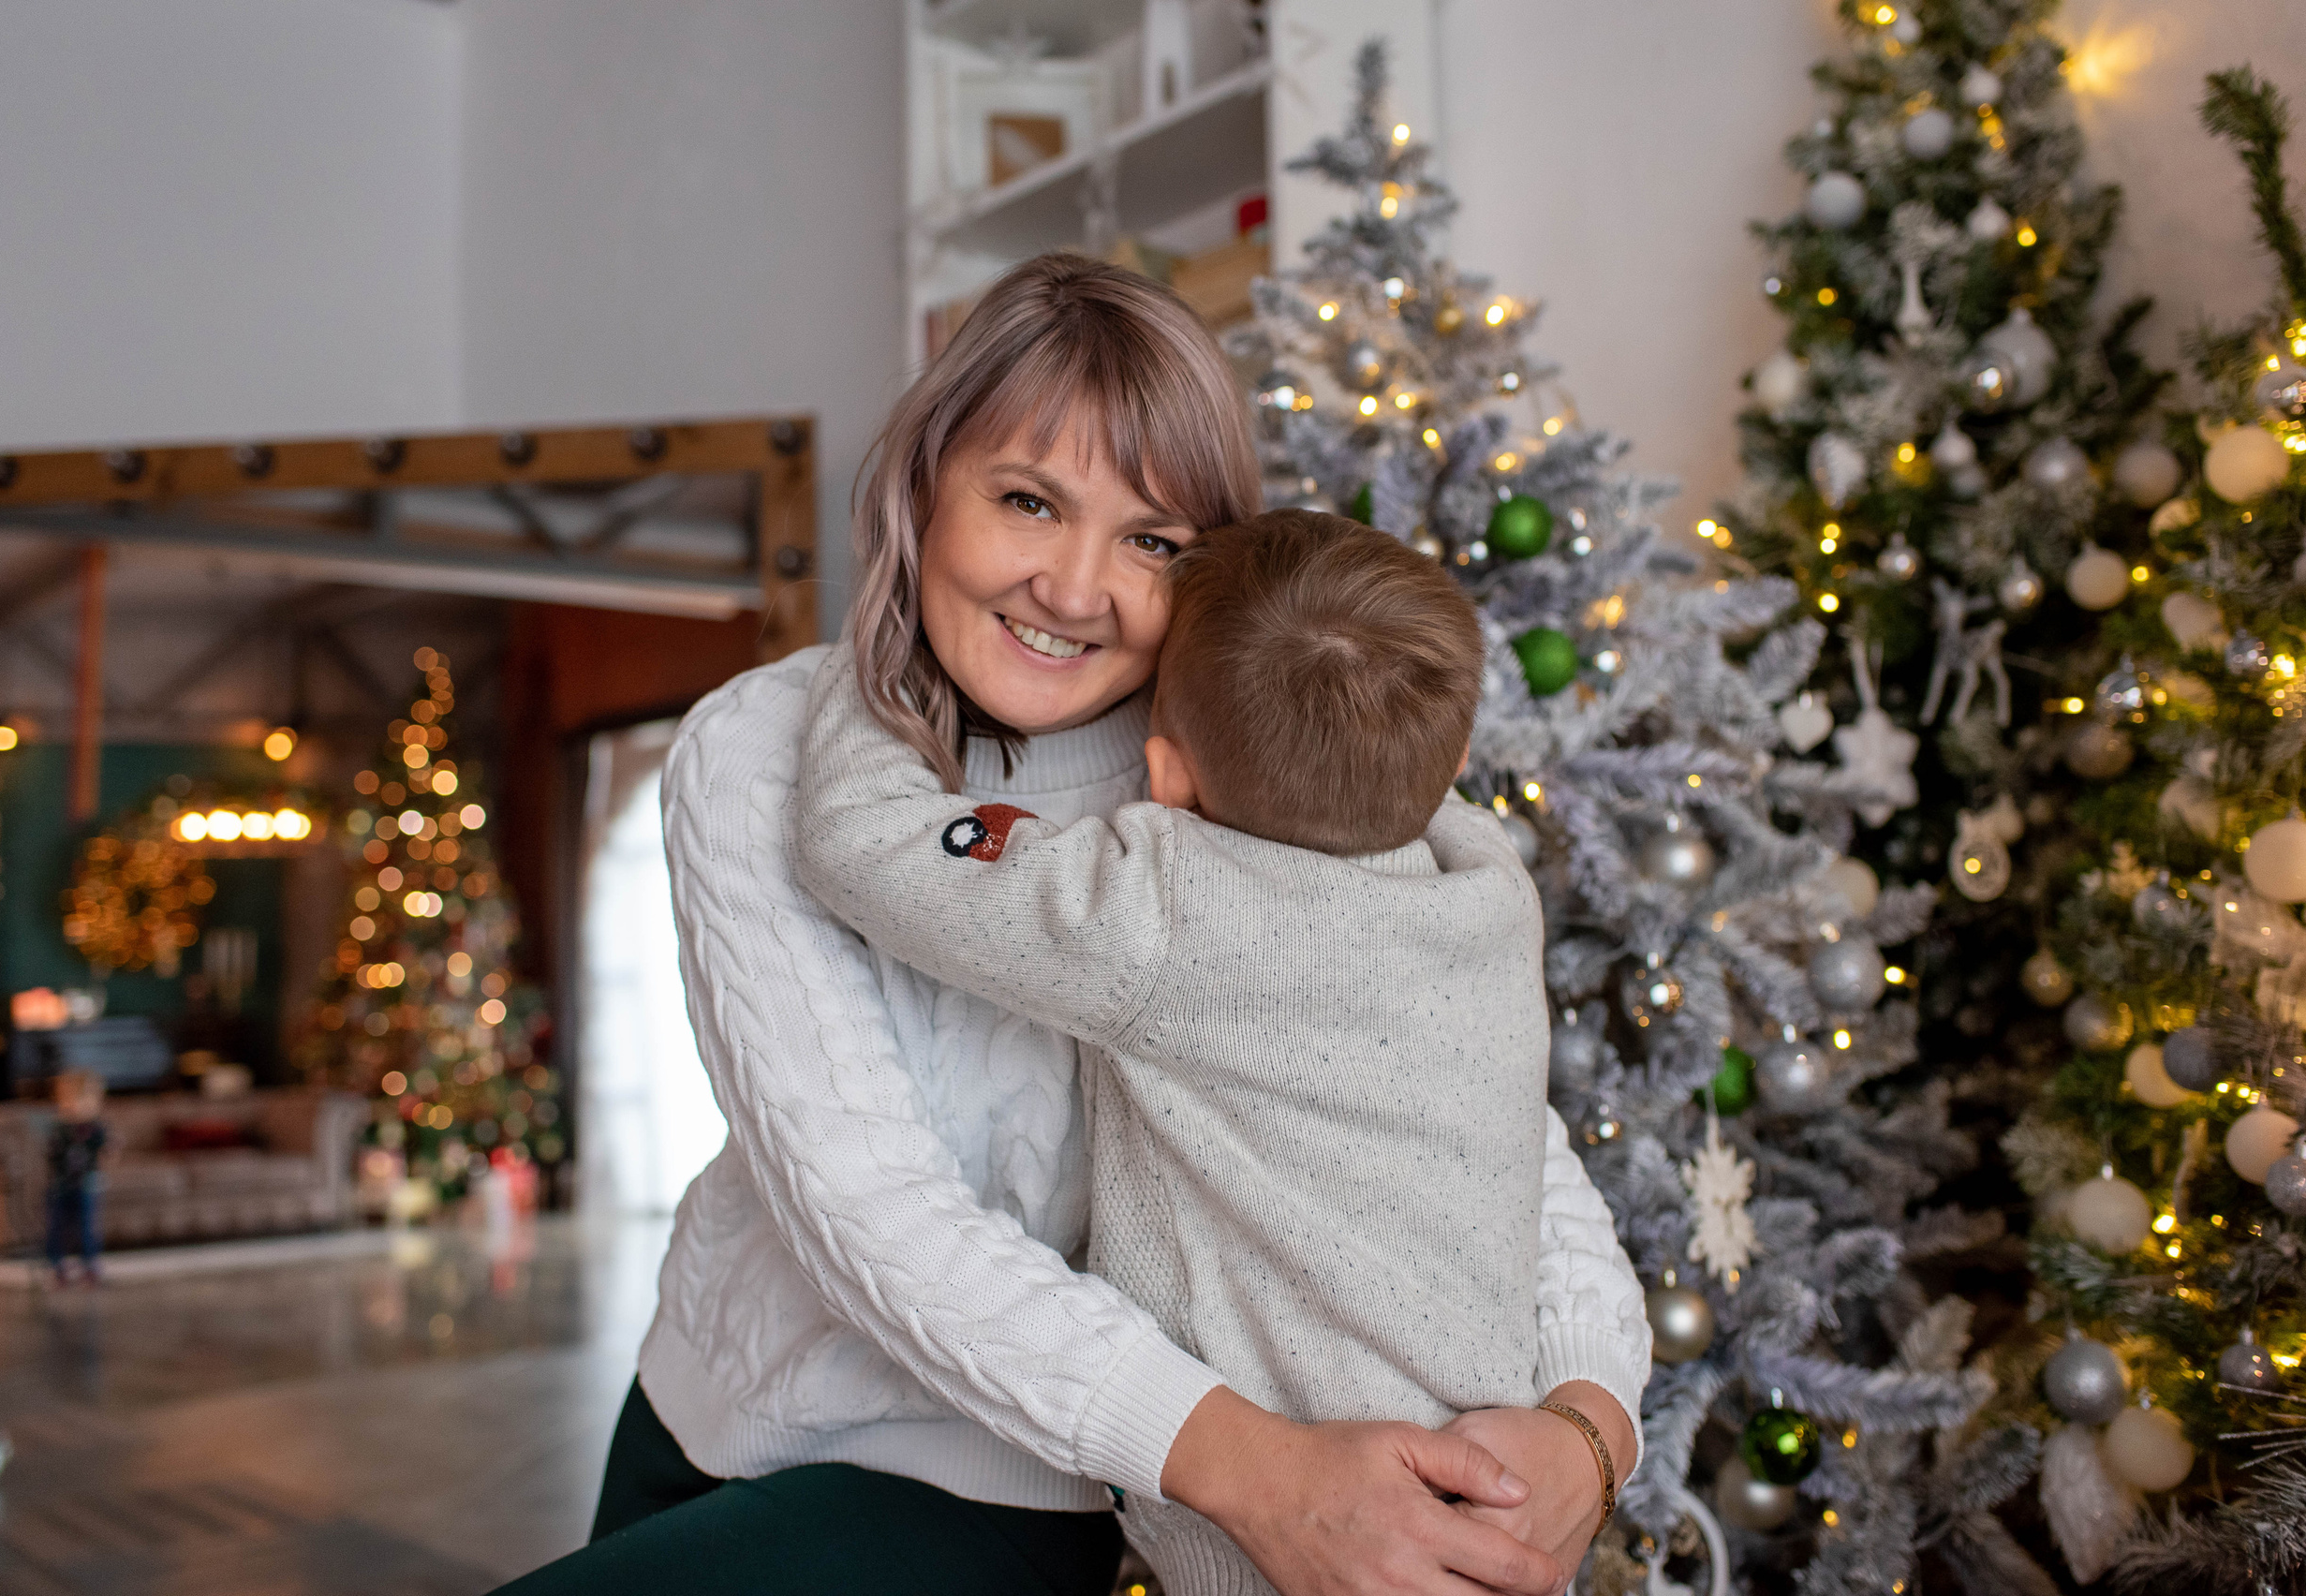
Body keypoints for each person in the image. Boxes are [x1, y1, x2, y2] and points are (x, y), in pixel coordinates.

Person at [495, 253, 1647, 1596]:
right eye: (1029, 502)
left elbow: (1487, 1127)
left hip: (1031, 1480)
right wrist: (1268, 1472)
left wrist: (1590, 1424)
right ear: (924, 483)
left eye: (1153, 542)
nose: (1077, 588)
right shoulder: (763, 746)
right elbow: (876, 1215)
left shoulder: (1233, 762)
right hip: (723, 1407)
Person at [792, 508, 1613, 1595]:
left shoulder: (1162, 917)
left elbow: (866, 839)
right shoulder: (1490, 892)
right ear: (1455, 760)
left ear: (1165, 777)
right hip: (1498, 1502)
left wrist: (888, 643)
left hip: (1290, 1557)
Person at [44, 1069, 109, 1287]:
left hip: (87, 1186)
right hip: (61, 1186)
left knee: (87, 1226)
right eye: (72, 1099)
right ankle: (58, 1266)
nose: (77, 1105)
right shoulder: (60, 1129)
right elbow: (52, 1154)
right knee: (58, 1226)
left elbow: (107, 1149)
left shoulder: (95, 1129)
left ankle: (89, 1264)